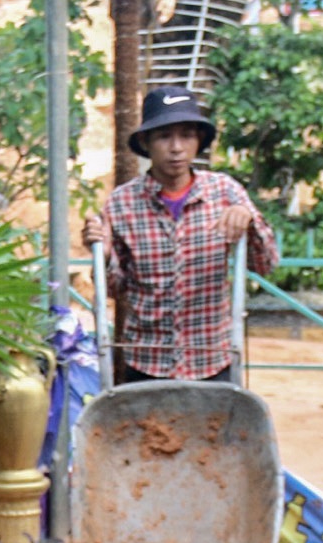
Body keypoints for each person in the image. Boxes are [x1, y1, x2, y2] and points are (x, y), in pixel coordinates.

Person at [84, 86, 281, 383]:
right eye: (164, 136)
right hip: (146, 363)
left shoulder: (225, 192)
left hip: (211, 360)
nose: (176, 147)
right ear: (145, 142)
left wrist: (250, 222)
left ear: (198, 141)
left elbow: (265, 265)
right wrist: (105, 254)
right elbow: (114, 289)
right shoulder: (121, 203)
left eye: (186, 135)